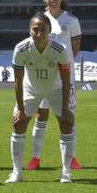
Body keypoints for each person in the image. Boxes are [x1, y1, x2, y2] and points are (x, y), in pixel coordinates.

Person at [6, 13, 76, 183]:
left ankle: (66, 172)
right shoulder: (21, 48)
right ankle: (17, 172)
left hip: (56, 90)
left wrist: (66, 108)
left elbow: (66, 80)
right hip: (31, 90)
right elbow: (17, 81)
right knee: (18, 123)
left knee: (67, 123)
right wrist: (21, 110)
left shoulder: (60, 49)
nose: (39, 34)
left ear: (49, 31)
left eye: (42, 30)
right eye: (35, 30)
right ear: (29, 30)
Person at [25, 0, 82, 171]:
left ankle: (71, 158)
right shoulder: (40, 20)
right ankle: (35, 157)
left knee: (67, 116)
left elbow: (74, 49)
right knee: (41, 116)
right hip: (43, 77)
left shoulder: (71, 21)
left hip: (64, 77)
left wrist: (63, 68)